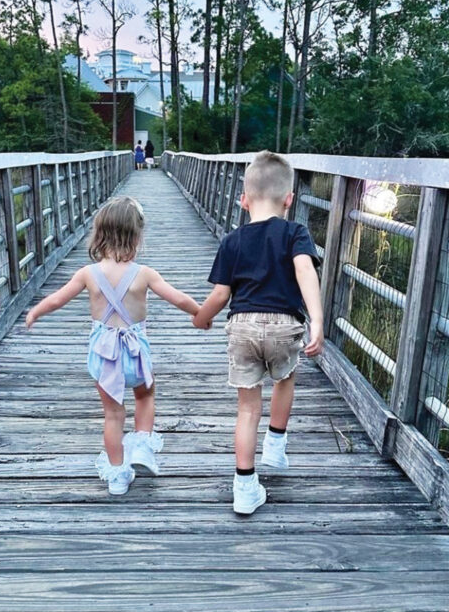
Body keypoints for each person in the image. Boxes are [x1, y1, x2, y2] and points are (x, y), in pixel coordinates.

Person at [25, 196, 202, 495]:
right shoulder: (144, 274)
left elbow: (58, 298)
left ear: (99, 235)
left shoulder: (88, 274)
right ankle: (143, 447)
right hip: (135, 353)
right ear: (136, 236)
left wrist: (35, 312)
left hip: (104, 356)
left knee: (113, 415)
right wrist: (201, 313)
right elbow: (178, 297)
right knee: (145, 397)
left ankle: (117, 477)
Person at [192, 151, 324, 515]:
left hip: (243, 326)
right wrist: (317, 319)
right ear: (289, 199)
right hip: (285, 325)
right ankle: (276, 445)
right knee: (285, 378)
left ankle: (245, 487)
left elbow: (220, 294)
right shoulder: (296, 232)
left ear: (243, 199)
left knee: (247, 409)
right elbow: (305, 272)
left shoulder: (232, 241)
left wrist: (202, 318)